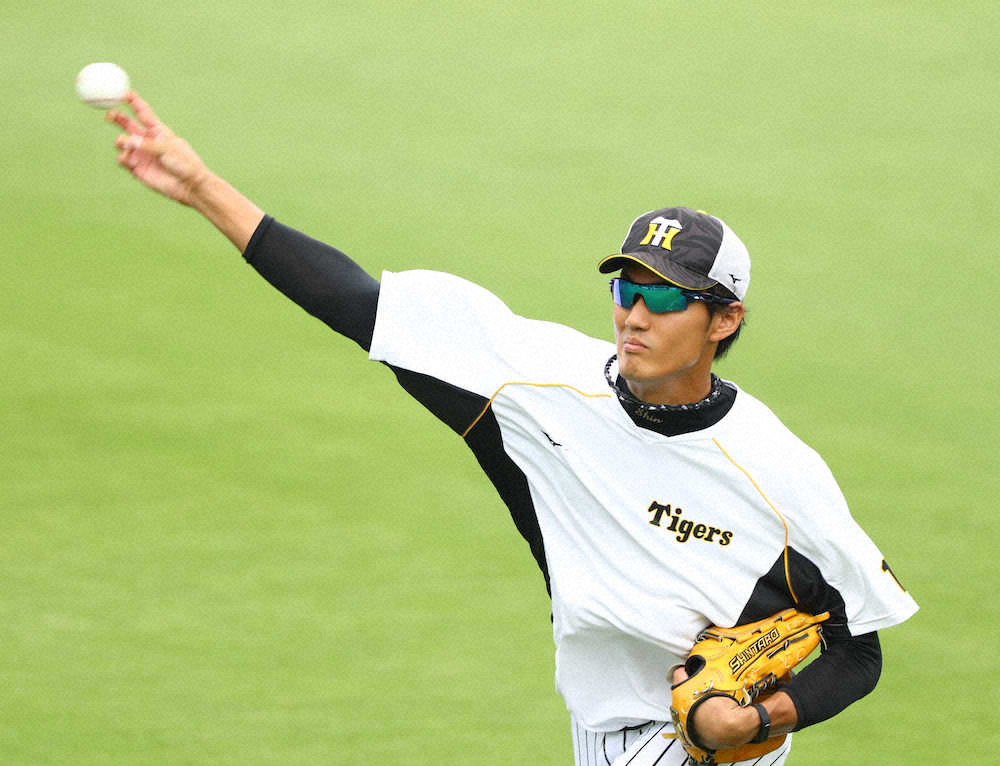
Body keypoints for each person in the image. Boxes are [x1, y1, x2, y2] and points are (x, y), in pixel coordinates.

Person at [105, 92, 918, 766]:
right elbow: (356, 304)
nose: (635, 315)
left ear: (724, 319)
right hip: (597, 725)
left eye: (667, 296)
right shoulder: (535, 384)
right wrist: (202, 187)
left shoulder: (777, 472)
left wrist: (758, 719)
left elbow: (859, 647)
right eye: (626, 289)